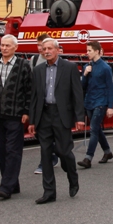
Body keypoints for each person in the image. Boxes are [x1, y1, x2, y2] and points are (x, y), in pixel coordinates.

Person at [28, 37, 87, 204]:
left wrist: (79, 117)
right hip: (44, 115)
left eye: (49, 49)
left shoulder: (69, 68)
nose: (46, 51)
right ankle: (49, 192)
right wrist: (32, 121)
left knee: (63, 151)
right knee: (45, 154)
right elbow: (34, 97)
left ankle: (72, 177)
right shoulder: (38, 70)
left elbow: (77, 93)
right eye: (44, 49)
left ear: (57, 50)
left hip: (62, 115)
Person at [0, 34, 33, 200]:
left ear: (15, 48)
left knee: (13, 151)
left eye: (7, 46)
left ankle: (6, 187)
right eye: (2, 45)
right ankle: (12, 184)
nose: (4, 48)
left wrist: (26, 111)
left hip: (15, 116)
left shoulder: (23, 65)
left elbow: (29, 90)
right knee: (1, 151)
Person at [78, 41, 113, 169]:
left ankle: (88, 158)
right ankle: (107, 152)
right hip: (89, 101)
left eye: (89, 50)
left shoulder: (105, 68)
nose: (87, 53)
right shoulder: (87, 66)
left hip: (101, 102)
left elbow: (111, 88)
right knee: (97, 129)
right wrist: (85, 74)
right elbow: (82, 86)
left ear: (97, 51)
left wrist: (110, 106)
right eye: (87, 50)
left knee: (94, 128)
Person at [30, 35, 59, 175]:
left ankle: (51, 157)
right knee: (42, 136)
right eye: (39, 45)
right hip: (40, 105)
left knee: (54, 137)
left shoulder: (58, 62)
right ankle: (47, 159)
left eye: (45, 46)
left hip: (54, 106)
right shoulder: (34, 60)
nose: (41, 48)